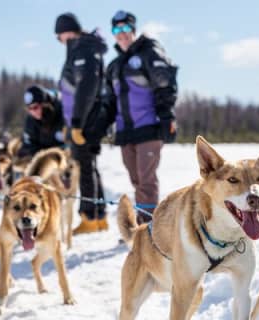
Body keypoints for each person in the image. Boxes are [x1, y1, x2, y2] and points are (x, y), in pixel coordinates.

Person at [104, 10, 178, 224]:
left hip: (148, 127)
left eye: (126, 28)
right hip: (126, 132)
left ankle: (148, 226)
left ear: (133, 30)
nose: (122, 33)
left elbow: (165, 85)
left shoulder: (149, 52)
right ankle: (145, 220)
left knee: (146, 180)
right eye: (117, 29)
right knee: (136, 180)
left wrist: (167, 118)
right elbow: (109, 102)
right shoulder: (115, 66)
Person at [54, 12, 108, 234]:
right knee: (89, 167)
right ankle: (99, 217)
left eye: (62, 33)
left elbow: (86, 89)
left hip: (85, 122)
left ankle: (89, 217)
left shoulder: (83, 50)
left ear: (72, 30)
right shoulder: (80, 49)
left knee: (83, 168)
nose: (60, 39)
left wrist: (76, 123)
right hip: (81, 121)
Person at [17, 85, 66, 157]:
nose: (33, 112)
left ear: (44, 104)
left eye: (35, 107)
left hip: (64, 156)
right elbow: (28, 145)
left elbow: (75, 144)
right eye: (29, 109)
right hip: (45, 158)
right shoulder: (31, 121)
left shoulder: (65, 113)